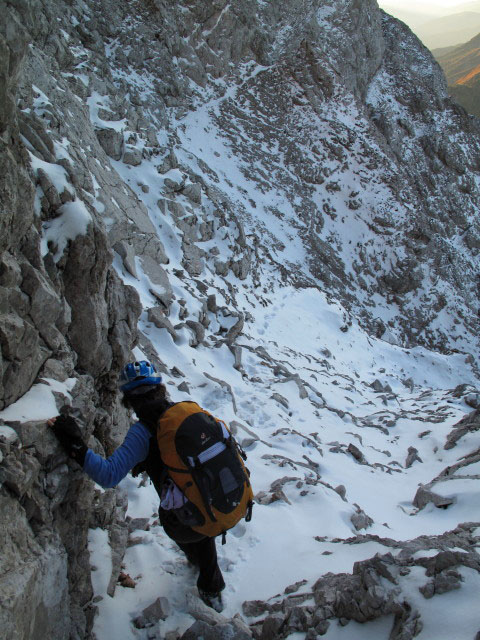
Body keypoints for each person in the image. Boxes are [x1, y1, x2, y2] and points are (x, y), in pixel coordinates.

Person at [49, 360, 226, 611]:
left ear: (128, 399)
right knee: (198, 517)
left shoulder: (142, 433)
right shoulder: (183, 414)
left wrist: (75, 443)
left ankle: (203, 575)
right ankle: (211, 587)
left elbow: (108, 476)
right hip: (215, 503)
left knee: (183, 518)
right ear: (160, 389)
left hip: (182, 520)